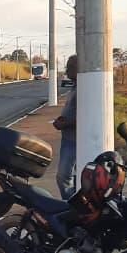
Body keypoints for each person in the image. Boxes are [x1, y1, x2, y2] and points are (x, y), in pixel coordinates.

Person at [51, 54, 78, 199]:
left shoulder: (83, 88)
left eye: (70, 67)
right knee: (69, 176)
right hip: (68, 138)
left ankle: (70, 205)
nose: (66, 70)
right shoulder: (74, 86)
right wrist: (63, 118)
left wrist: (64, 123)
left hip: (75, 141)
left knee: (63, 177)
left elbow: (85, 116)